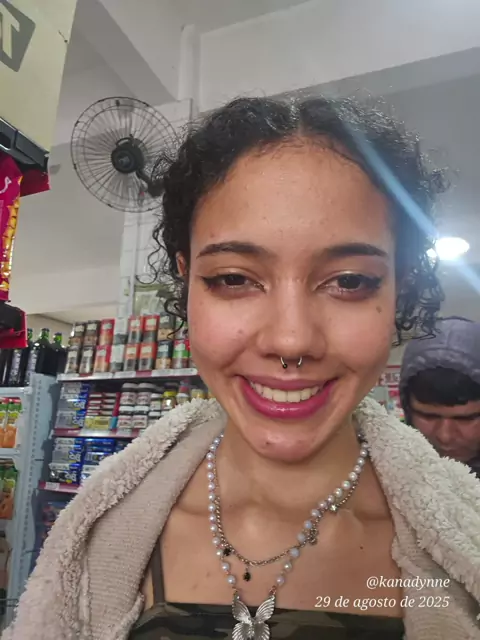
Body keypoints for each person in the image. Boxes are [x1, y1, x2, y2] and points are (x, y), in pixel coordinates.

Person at [4, 97, 480, 640]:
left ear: (399, 291)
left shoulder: (460, 553)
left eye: (349, 281)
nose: (291, 340)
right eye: (234, 278)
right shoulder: (102, 532)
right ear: (186, 280)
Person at [400, 316, 480, 477]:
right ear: (408, 408)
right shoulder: (384, 472)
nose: (445, 436)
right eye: (428, 416)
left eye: (466, 419)